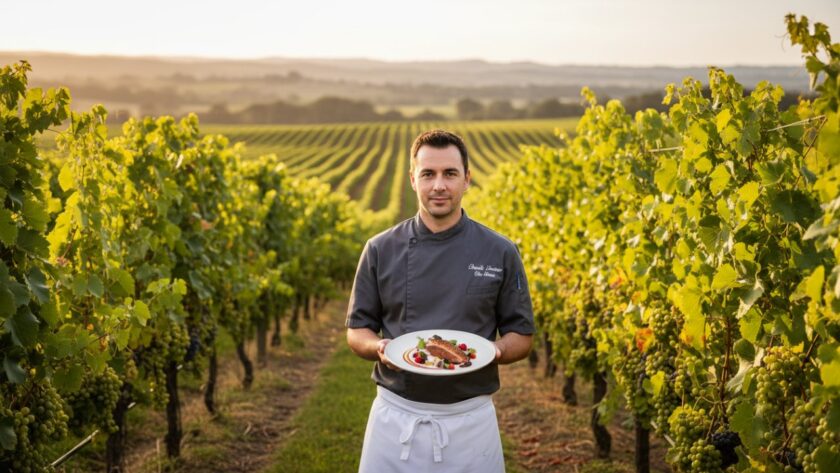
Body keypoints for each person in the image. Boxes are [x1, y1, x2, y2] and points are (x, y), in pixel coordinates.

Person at [345, 129, 535, 472]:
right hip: (395, 419)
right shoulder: (380, 249)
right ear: (412, 180)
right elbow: (357, 330)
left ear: (467, 179)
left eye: (450, 174)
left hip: (471, 422)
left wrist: (498, 351)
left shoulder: (500, 251)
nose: (439, 185)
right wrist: (378, 348)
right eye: (428, 174)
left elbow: (521, 335)